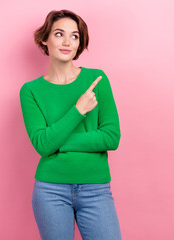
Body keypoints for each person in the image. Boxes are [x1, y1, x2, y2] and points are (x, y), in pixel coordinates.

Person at [19, 9, 122, 240]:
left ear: (79, 43)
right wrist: (78, 110)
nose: (67, 42)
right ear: (45, 39)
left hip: (96, 189)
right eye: (59, 34)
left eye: (74, 36)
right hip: (50, 191)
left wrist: (58, 143)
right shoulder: (31, 91)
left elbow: (111, 137)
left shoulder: (97, 80)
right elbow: (42, 145)